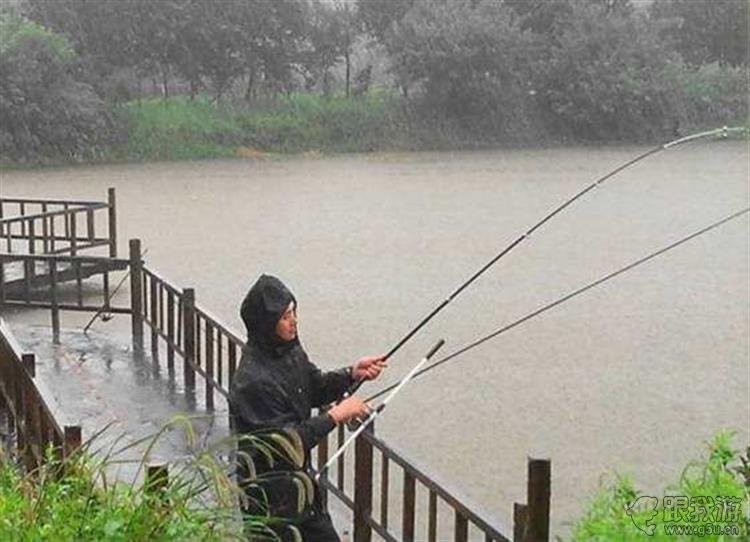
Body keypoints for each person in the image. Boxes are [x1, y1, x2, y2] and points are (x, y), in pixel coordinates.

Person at [229, 274, 386, 541]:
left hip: (304, 493)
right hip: (270, 500)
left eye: (294, 312)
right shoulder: (252, 380)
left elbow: (313, 387)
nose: (294, 321)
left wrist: (352, 373)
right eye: (285, 317)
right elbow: (285, 442)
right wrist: (337, 415)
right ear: (267, 324)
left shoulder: (289, 350)